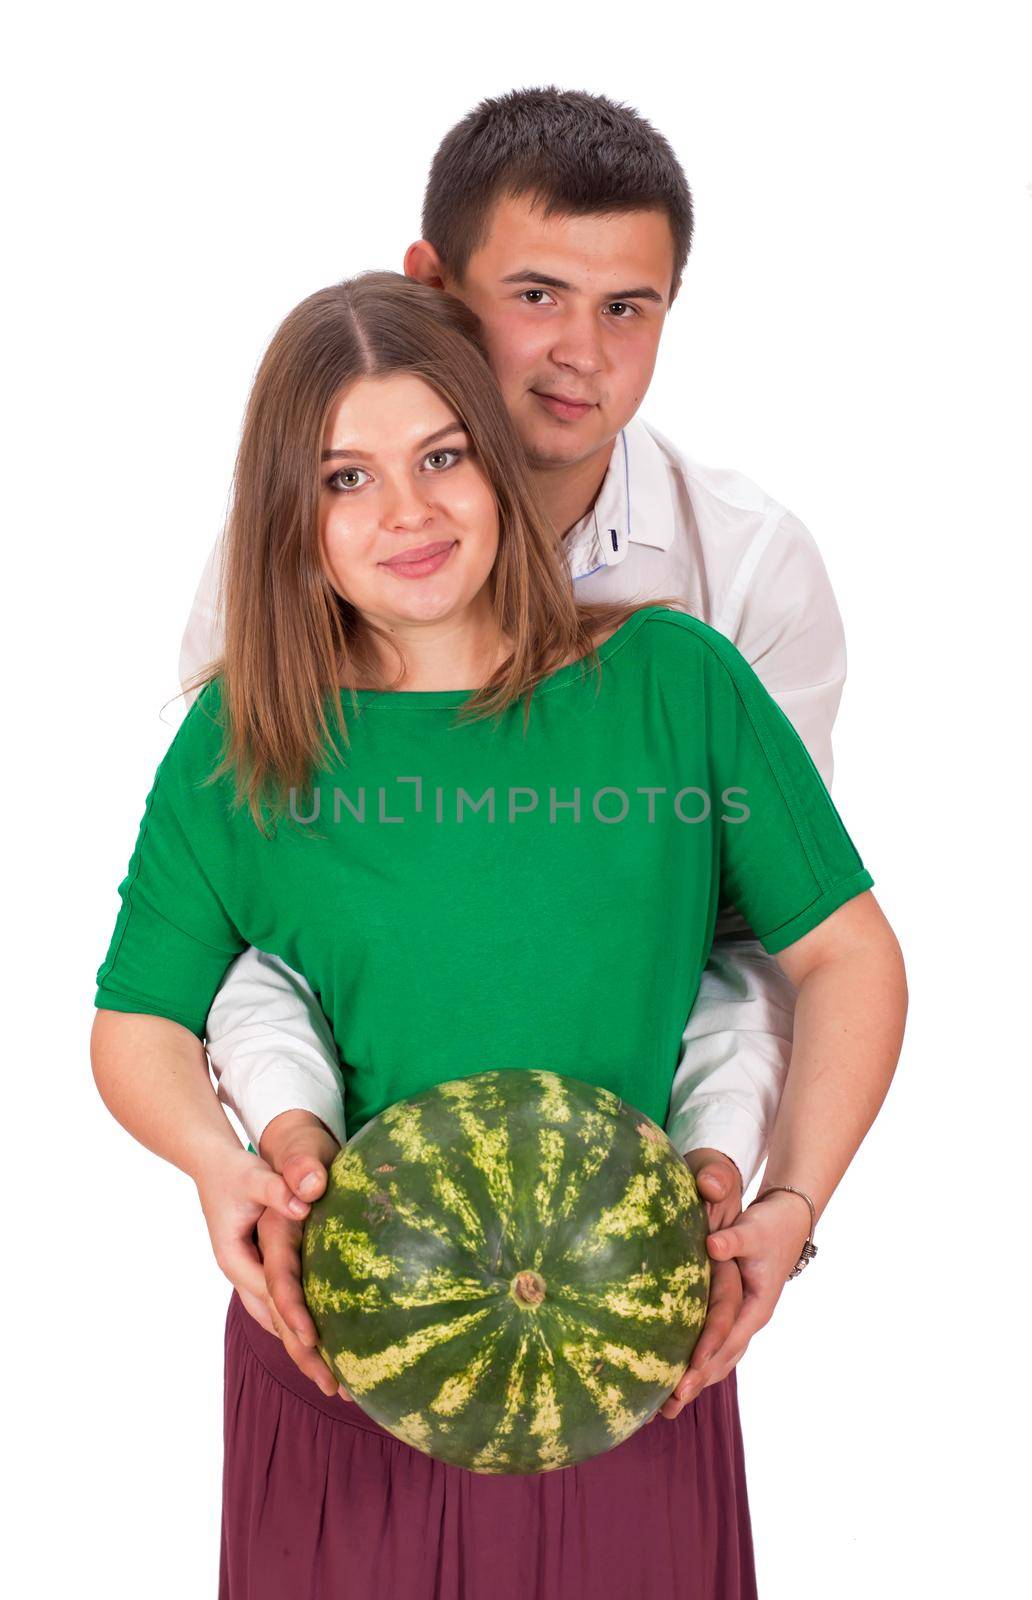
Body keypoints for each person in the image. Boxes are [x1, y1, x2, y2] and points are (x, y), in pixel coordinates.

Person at [92, 271, 907, 1599]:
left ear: (498, 459)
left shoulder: (675, 682)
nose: (405, 511)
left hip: (630, 1360)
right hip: (338, 1367)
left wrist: (794, 1202)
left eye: (441, 456)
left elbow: (846, 953)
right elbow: (137, 1020)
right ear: (289, 517)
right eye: (345, 478)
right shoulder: (239, 741)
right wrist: (214, 1166)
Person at [179, 88, 855, 1414]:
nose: (579, 357)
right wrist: (284, 1148)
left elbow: (755, 932)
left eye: (629, 308)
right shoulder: (286, 562)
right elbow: (254, 931)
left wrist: (730, 1176)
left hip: (621, 1258)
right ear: (431, 285)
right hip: (362, 1262)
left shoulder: (742, 583)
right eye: (536, 294)